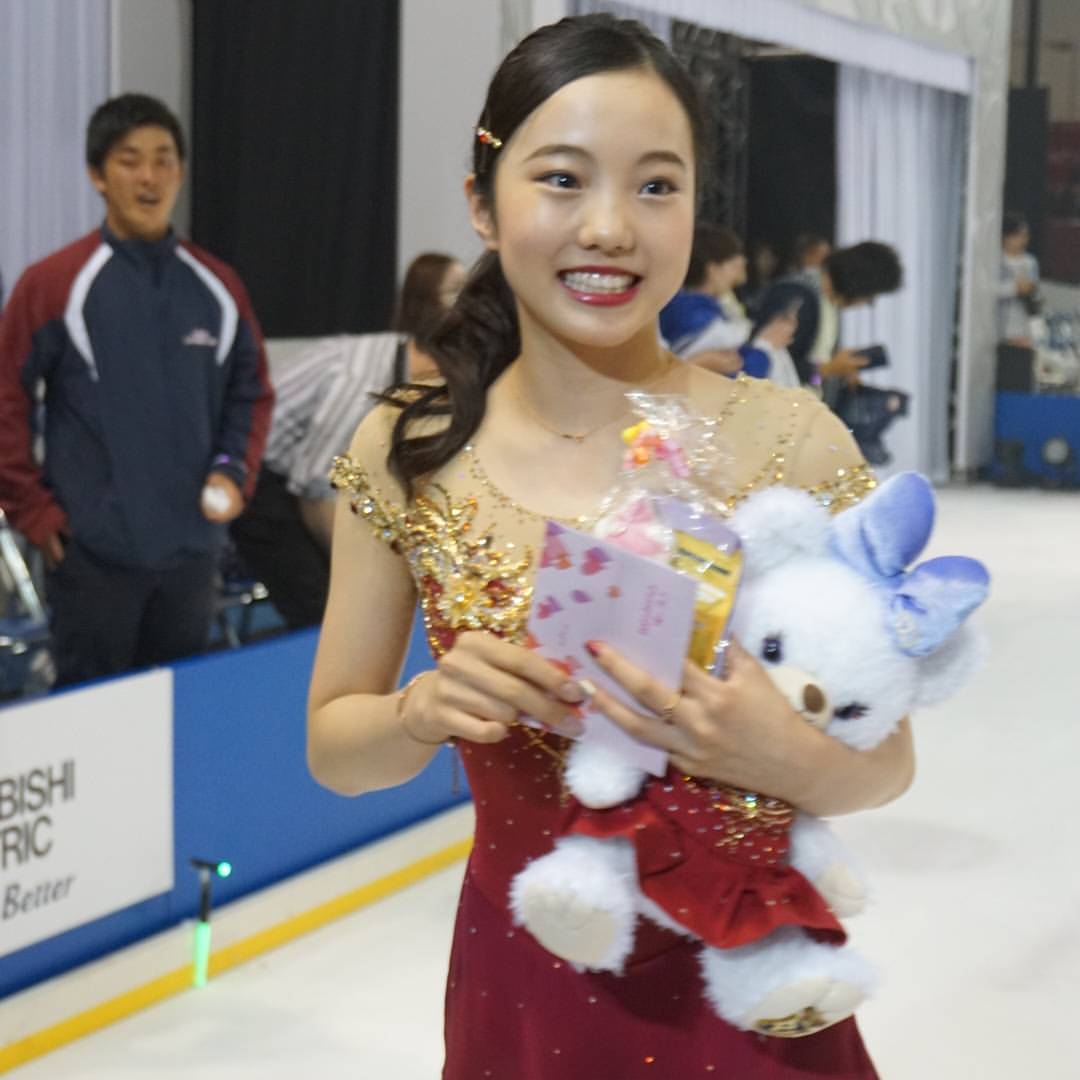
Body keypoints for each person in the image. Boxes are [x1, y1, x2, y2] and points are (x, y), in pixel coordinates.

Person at [309, 15, 912, 1077]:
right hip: (525, 985)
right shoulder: (410, 447)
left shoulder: (788, 441)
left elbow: (889, 763)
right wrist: (419, 711)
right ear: (482, 205)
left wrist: (775, 753)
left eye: (655, 185)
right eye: (561, 179)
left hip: (751, 986)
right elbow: (333, 746)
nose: (610, 228)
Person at [0, 93, 272, 687]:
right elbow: (6, 402)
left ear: (179, 171)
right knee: (92, 727)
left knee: (179, 722)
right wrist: (36, 516)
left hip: (192, 559)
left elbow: (251, 394)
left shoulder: (217, 287)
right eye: (129, 160)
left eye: (164, 159)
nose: (149, 177)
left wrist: (233, 471)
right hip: (93, 560)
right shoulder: (51, 285)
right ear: (98, 175)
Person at [229, 252, 464, 628]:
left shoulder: (419, 371)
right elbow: (315, 492)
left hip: (302, 477)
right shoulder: (359, 383)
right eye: (454, 290)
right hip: (255, 472)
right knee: (327, 608)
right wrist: (361, 568)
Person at [659, 223, 798, 384]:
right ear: (713, 269)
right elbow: (734, 374)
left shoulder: (687, 307)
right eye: (733, 266)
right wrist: (766, 344)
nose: (739, 274)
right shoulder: (694, 314)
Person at [754, 241, 903, 386]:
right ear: (859, 284)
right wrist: (828, 369)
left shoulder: (826, 303)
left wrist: (830, 371)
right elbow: (766, 362)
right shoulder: (798, 297)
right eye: (870, 297)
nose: (866, 303)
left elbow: (810, 380)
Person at [997, 212, 1040, 348]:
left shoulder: (1030, 262)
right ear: (1005, 237)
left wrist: (1031, 289)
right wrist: (1014, 288)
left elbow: (1035, 293)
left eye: (1025, 236)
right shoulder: (996, 260)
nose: (1022, 240)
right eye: (1017, 236)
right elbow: (986, 290)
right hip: (998, 327)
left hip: (1022, 326)